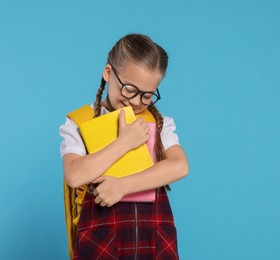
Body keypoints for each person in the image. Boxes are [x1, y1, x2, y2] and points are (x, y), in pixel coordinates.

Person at [59, 33, 189, 259]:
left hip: (154, 239)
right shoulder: (80, 122)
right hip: (101, 241)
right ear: (109, 73)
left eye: (147, 95)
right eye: (130, 89)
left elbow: (179, 166)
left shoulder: (159, 123)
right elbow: (75, 175)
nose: (137, 102)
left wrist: (123, 186)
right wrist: (124, 142)